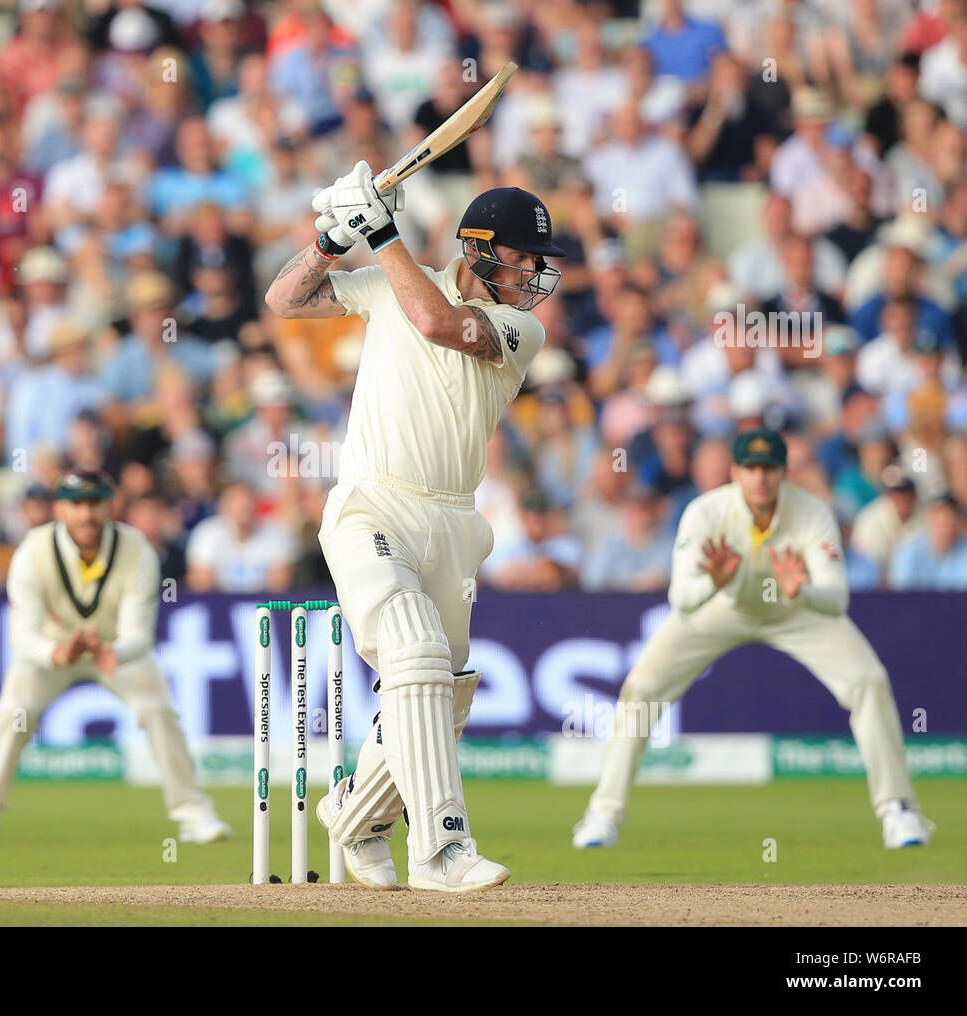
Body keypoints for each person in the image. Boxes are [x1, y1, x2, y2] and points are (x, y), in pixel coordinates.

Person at [265, 173, 564, 892]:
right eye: (525, 260)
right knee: (416, 650)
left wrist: (381, 234)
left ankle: (358, 817)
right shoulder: (389, 282)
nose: (534, 276)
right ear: (483, 251)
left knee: (442, 689)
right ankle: (441, 849)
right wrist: (330, 242)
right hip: (372, 505)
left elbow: (436, 322)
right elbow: (284, 301)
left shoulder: (523, 329)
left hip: (455, 521)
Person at [571, 430, 933, 851]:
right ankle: (603, 814)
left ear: (784, 473)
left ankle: (898, 810)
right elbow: (681, 599)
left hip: (794, 611)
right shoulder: (706, 512)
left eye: (768, 469)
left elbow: (836, 601)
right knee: (642, 689)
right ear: (735, 472)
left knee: (869, 681)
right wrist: (713, 581)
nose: (759, 478)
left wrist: (803, 591)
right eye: (751, 468)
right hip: (719, 608)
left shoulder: (813, 514)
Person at [0, 468, 229, 845]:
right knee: (13, 712)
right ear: (59, 508)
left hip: (114, 652)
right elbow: (22, 635)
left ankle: (194, 814)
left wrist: (113, 651)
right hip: (53, 651)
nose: (86, 515)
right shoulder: (32, 551)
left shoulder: (136, 549)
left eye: (94, 503)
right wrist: (56, 652)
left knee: (158, 711)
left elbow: (139, 635)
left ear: (110, 506)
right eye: (76, 504)